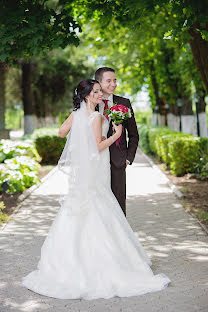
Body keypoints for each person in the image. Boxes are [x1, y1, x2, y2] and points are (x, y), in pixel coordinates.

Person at [22, 79, 170, 300]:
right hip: (96, 167)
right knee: (100, 207)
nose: (101, 94)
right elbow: (98, 146)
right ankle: (106, 262)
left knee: (80, 209)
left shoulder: (76, 114)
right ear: (87, 96)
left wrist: (83, 135)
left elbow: (62, 133)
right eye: (97, 91)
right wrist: (115, 136)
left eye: (100, 91)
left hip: (84, 169)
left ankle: (67, 262)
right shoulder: (97, 116)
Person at [95, 67, 139, 216]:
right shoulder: (92, 104)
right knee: (97, 201)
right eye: (108, 81)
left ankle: (120, 237)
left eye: (115, 80)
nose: (113, 84)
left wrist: (128, 158)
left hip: (118, 161)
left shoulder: (124, 103)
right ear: (99, 83)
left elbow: (134, 135)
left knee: (118, 202)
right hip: (95, 160)